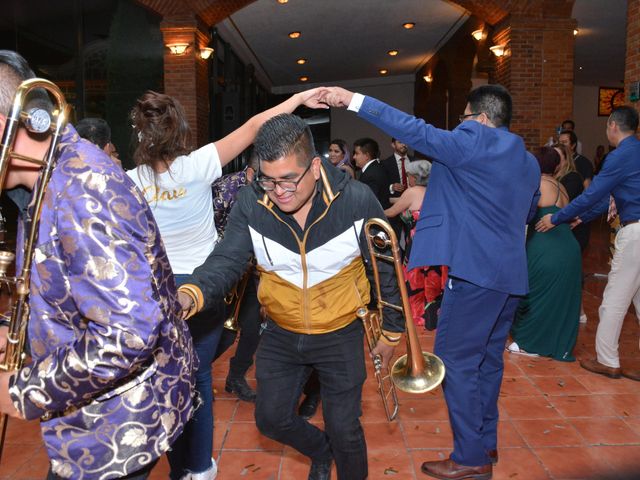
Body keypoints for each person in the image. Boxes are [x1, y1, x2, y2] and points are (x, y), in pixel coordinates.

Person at [321, 84, 540, 480]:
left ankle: (471, 457)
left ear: (483, 120)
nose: (460, 126)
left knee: (454, 362)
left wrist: (351, 100)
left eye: (464, 118)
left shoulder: (474, 139)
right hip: (511, 275)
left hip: (474, 273)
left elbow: (415, 130)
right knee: (487, 362)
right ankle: (484, 442)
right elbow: (525, 214)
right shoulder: (526, 161)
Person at [0, 50, 197, 479]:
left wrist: (23, 392)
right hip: (97, 411)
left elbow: (128, 331)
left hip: (117, 422)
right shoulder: (47, 178)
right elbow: (67, 291)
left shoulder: (82, 185)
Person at [177, 114, 404, 480]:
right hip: (282, 330)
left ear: (315, 166)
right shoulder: (253, 204)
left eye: (288, 179)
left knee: (345, 428)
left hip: (340, 329)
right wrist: (191, 294)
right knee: (271, 420)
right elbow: (226, 259)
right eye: (268, 179)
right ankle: (320, 452)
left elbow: (386, 269)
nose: (278, 190)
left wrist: (392, 332)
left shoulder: (356, 200)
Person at [127, 88, 327, 480]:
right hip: (204, 287)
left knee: (164, 382)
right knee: (198, 378)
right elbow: (256, 126)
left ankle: (177, 467)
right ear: (179, 132)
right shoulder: (200, 164)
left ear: (141, 137)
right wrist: (299, 98)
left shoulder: (129, 181)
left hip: (157, 293)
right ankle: (198, 469)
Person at [536, 105, 640, 383]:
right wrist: (580, 218)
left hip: (635, 234)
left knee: (614, 301)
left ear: (613, 126)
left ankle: (607, 360)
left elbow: (591, 194)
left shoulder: (619, 156)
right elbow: (610, 200)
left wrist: (558, 217)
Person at [509, 147, 581, 360]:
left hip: (544, 249)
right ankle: (557, 345)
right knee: (559, 301)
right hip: (569, 248)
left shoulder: (536, 185)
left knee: (534, 295)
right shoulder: (562, 187)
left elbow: (518, 214)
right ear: (557, 166)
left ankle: (530, 343)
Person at [383, 160, 444, 328]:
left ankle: (417, 315)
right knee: (432, 279)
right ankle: (431, 315)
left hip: (417, 244)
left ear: (415, 177)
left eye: (409, 175)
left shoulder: (411, 192)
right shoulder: (436, 191)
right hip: (435, 244)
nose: (407, 178)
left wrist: (371, 210)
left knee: (414, 279)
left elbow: (391, 212)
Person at [353, 137, 390, 208]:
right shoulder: (375, 168)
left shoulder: (372, 174)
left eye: (357, 153)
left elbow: (369, 203)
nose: (354, 157)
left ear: (367, 156)